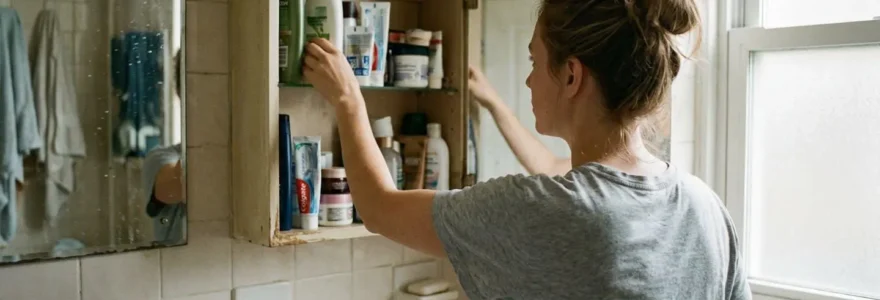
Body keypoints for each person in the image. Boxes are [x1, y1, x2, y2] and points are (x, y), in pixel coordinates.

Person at [302, 0, 750, 298]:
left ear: (572, 76)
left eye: (536, 62)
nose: (528, 79)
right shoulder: (707, 209)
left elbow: (380, 209)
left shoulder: (544, 210)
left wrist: (348, 100)